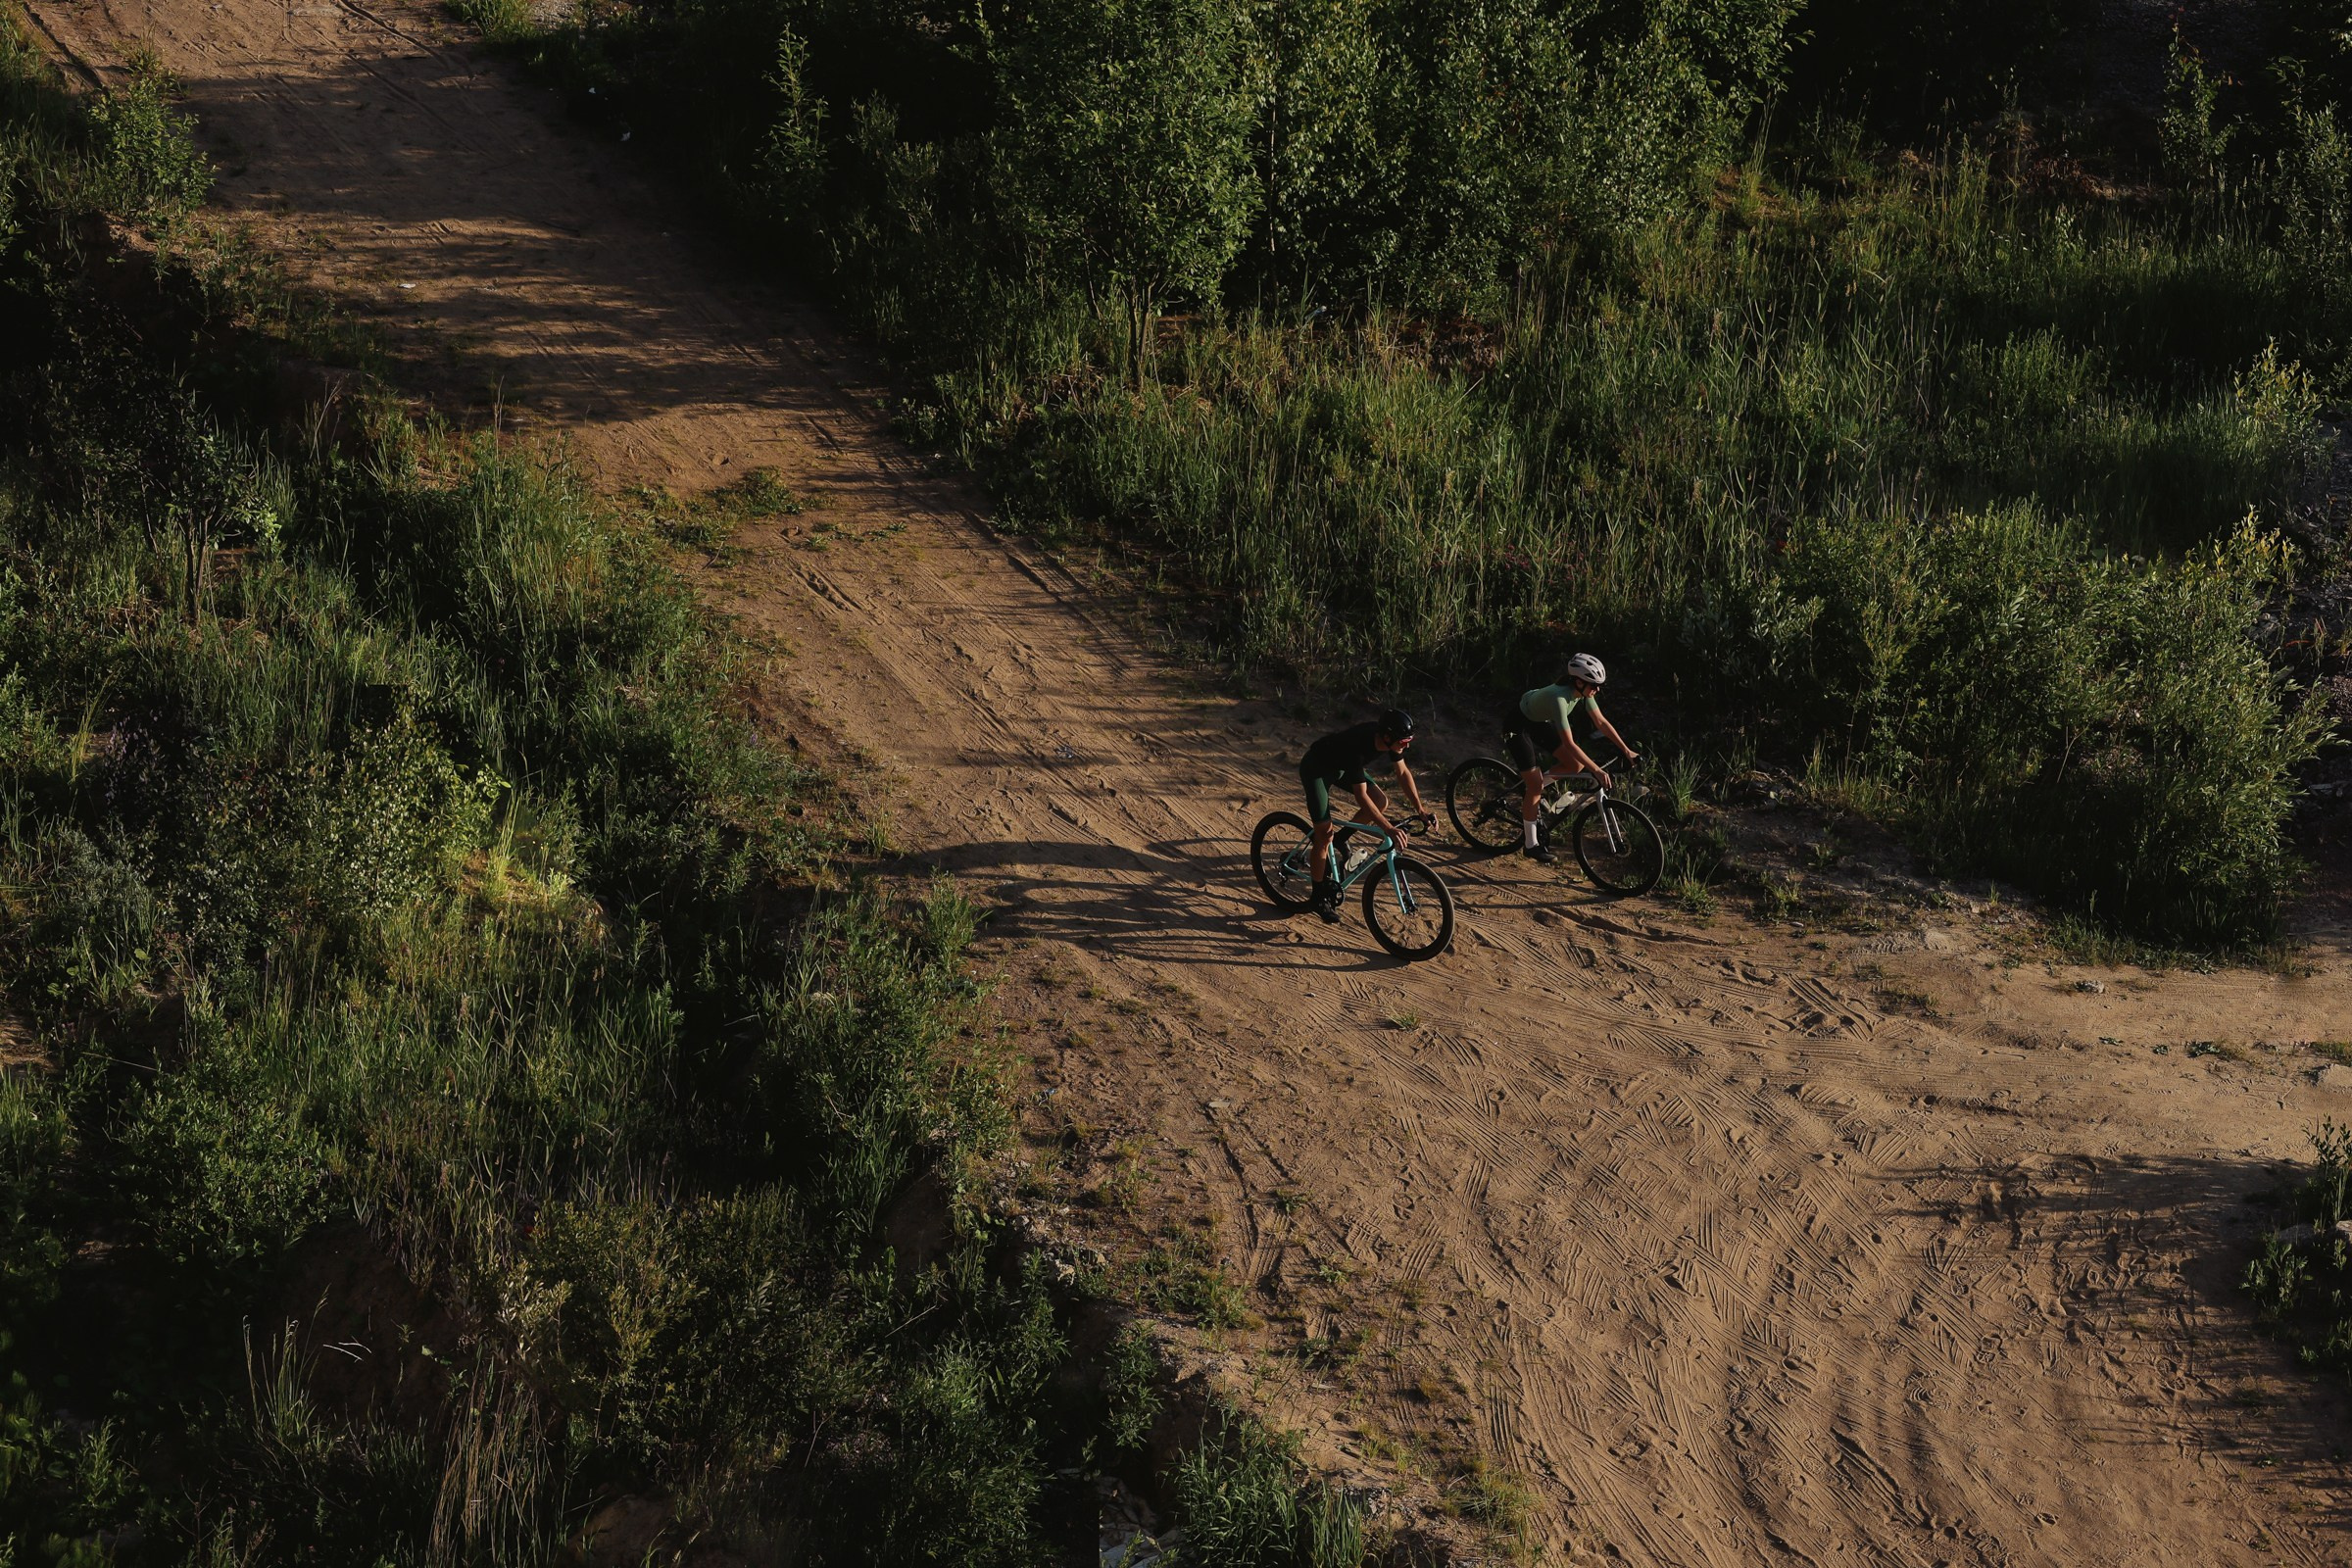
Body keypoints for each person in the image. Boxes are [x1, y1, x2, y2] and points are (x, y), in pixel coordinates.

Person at [1503, 654, 1639, 862]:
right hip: (1517, 725)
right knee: (1536, 786)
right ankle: (1531, 845)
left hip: (1537, 719)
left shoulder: (1585, 693)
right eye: (1594, 685)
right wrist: (1596, 769)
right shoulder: (1560, 699)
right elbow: (1570, 744)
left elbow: (1601, 722)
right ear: (1579, 682)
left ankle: (1533, 790)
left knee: (1574, 765)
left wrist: (1626, 750)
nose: (1597, 690)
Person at [1297, 708, 1427, 922]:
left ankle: (1341, 840)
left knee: (1380, 801)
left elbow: (1403, 773)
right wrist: (1388, 828)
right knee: (1323, 834)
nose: (1407, 746)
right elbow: (1361, 797)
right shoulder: (1358, 745)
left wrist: (1420, 810)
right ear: (1388, 737)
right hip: (1317, 770)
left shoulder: (1389, 739)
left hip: (1342, 767)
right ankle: (1318, 897)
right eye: (1403, 742)